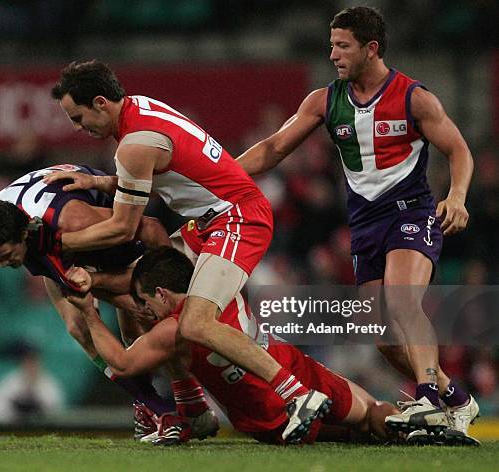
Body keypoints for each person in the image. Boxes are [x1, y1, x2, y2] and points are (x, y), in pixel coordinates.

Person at [43, 60, 330, 442]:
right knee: (137, 288)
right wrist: (97, 181)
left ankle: (297, 395)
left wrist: (50, 244)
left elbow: (123, 227)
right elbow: (149, 172)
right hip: (210, 223)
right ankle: (191, 407)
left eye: (78, 117)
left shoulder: (134, 144)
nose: (78, 128)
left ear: (99, 103)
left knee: (196, 322)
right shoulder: (140, 111)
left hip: (237, 218)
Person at [236, 6, 478, 445]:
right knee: (384, 337)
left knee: (403, 301)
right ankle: (456, 399)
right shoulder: (324, 101)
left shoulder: (413, 98)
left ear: (371, 49)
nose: (333, 54)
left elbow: (459, 150)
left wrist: (457, 196)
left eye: (342, 45)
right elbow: (273, 149)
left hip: (410, 212)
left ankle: (426, 397)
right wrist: (221, 175)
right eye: (331, 45)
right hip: (364, 221)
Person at [65, 246, 398, 445]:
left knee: (356, 433)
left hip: (270, 417)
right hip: (297, 373)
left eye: (145, 301)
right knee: (374, 416)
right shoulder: (221, 284)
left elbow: (123, 363)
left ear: (163, 293)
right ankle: (417, 426)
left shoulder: (173, 329)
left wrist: (89, 313)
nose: (143, 309)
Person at [0, 164, 181, 437]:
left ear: (23, 236)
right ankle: (154, 406)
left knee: (144, 315)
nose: (2, 264)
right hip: (50, 235)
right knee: (78, 328)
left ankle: (186, 401)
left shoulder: (73, 221)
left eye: (7, 255)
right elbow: (56, 265)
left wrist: (174, 286)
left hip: (104, 230)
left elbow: (151, 228)